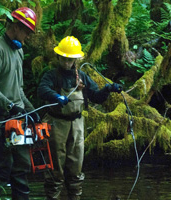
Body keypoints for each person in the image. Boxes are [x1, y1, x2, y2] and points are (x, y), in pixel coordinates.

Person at [37, 36, 123, 200]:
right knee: (55, 169)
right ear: (59, 57)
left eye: (70, 60)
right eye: (64, 59)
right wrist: (56, 96)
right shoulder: (51, 75)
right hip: (56, 124)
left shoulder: (82, 76)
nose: (67, 63)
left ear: (76, 60)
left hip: (77, 125)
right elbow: (42, 90)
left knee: (76, 167)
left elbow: (96, 97)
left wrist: (108, 89)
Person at [0, 7, 39, 200]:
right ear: (15, 26)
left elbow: (19, 89)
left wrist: (31, 111)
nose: (28, 37)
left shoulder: (18, 52)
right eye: (26, 32)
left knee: (21, 168)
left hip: (16, 122)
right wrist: (10, 106)